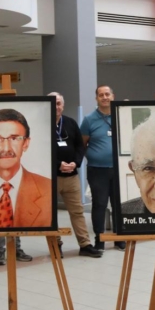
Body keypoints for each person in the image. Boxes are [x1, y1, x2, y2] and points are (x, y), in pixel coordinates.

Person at [49, 92, 101, 258]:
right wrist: (58, 164)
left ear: (62, 105)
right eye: (53, 103)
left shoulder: (70, 123)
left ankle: (85, 244)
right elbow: (40, 150)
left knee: (77, 212)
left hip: (71, 176)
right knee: (51, 214)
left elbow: (80, 146)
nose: (56, 106)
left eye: (59, 103)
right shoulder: (42, 124)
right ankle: (55, 245)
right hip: (50, 178)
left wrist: (75, 163)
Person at [80, 85, 126, 251]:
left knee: (118, 205)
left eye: (107, 94)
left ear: (113, 96)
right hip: (97, 170)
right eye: (101, 95)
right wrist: (95, 156)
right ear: (96, 99)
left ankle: (119, 237)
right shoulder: (89, 119)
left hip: (118, 169)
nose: (105, 97)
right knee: (99, 205)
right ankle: (99, 239)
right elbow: (82, 144)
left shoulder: (121, 116)